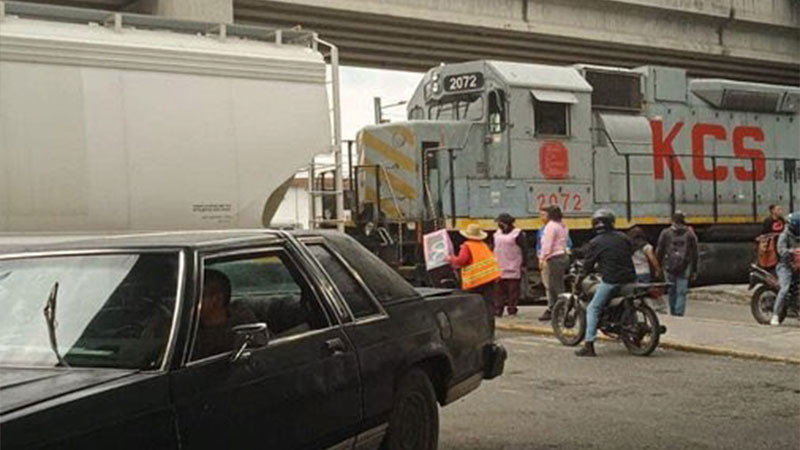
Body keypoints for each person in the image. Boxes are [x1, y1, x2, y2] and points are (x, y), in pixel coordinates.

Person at [575, 209, 637, 357]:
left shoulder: (596, 242)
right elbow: (630, 252)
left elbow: (589, 263)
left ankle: (589, 345)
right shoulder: (624, 237)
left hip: (611, 280)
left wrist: (582, 275)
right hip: (630, 278)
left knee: (593, 308)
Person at [193, 269, 259, 360]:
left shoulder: (242, 323)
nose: (189, 302)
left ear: (217, 299)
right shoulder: (188, 328)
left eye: (197, 296)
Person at [448, 223, 502, 328]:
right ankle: (490, 328)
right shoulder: (483, 245)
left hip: (476, 281)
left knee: (472, 305)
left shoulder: (467, 246)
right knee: (488, 305)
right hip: (489, 278)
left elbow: (461, 261)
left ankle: (476, 328)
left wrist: (451, 259)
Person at [656, 212, 699, 317]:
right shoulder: (690, 233)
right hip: (684, 266)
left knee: (671, 290)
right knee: (681, 292)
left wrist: (658, 267)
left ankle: (673, 311)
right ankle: (679, 313)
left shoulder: (665, 233)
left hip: (669, 266)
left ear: (673, 220)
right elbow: (695, 253)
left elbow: (659, 250)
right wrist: (694, 269)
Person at [538, 205, 570, 322]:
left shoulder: (550, 226)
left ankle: (561, 310)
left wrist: (542, 258)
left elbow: (547, 244)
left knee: (555, 286)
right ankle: (557, 309)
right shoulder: (562, 225)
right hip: (562, 256)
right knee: (556, 285)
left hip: (554, 258)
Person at [493, 213, 527, 316]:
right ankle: (498, 309)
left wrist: (524, 264)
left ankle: (512, 309)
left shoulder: (518, 234)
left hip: (513, 265)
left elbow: (524, 250)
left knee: (513, 290)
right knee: (498, 291)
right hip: (499, 265)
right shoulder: (497, 234)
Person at [771, 212, 800, 326]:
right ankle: (775, 315)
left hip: (798, 266)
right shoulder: (784, 236)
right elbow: (781, 251)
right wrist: (793, 252)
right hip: (785, 266)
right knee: (784, 289)